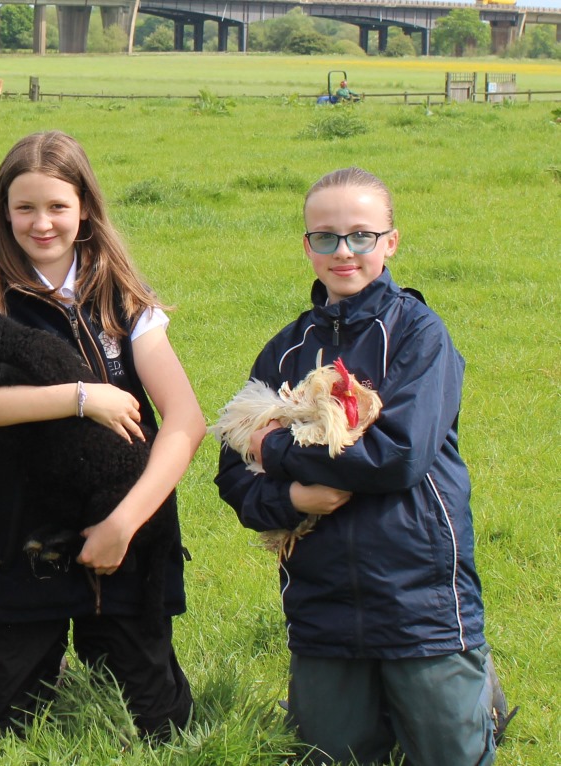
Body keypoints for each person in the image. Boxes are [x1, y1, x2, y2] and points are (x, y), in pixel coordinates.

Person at [213, 167, 496, 765]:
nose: (343, 251)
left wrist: (277, 451)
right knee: (326, 756)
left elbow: (397, 457)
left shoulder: (420, 334)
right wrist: (292, 501)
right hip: (323, 605)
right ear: (307, 246)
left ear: (390, 241)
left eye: (361, 235)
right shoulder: (286, 350)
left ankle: (475, 699)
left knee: (450, 755)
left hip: (419, 599)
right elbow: (233, 473)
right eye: (326, 236)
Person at [0, 131, 206, 739]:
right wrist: (80, 398)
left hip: (124, 532)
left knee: (159, 727)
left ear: (84, 208)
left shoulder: (123, 300)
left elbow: (186, 421)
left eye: (57, 206)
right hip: (20, 538)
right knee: (1, 729)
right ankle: (41, 660)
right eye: (25, 207)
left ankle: (104, 651)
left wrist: (125, 524)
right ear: (3, 211)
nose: (41, 223)